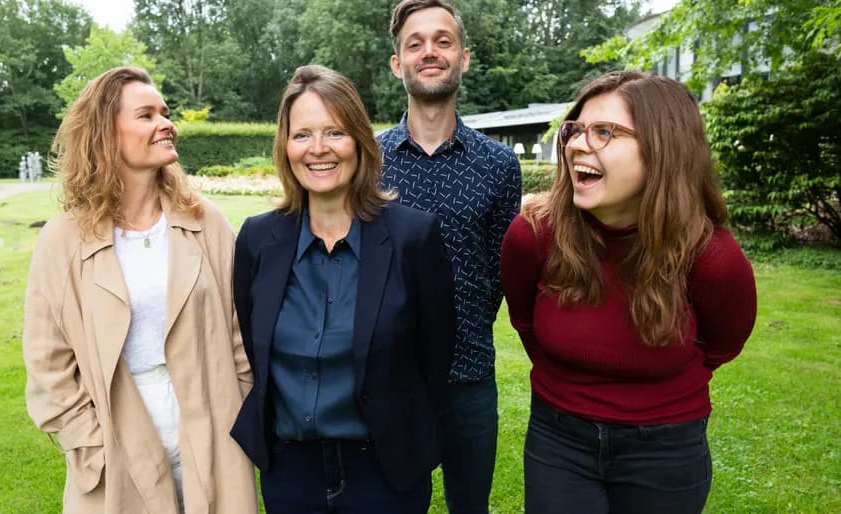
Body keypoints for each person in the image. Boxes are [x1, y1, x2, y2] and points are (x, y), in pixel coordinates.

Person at [500, 70, 758, 514]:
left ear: (663, 149)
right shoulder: (534, 234)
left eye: (604, 132)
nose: (578, 145)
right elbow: (525, 321)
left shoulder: (712, 258)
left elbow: (722, 345)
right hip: (558, 438)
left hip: (666, 448)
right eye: (576, 130)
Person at [22, 66, 257, 513]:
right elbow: (47, 359)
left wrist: (238, 408)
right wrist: (89, 444)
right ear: (105, 135)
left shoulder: (205, 221)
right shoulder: (63, 240)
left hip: (214, 431)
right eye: (146, 115)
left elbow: (241, 329)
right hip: (117, 442)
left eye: (164, 113)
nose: (166, 124)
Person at [229, 64, 457, 514]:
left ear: (359, 140)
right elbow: (256, 350)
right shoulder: (257, 239)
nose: (318, 149)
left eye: (334, 132)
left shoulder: (413, 237)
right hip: (290, 476)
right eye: (302, 135)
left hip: (385, 474)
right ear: (285, 146)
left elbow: (435, 356)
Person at [377, 1, 522, 512]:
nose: (430, 52)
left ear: (464, 57)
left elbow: (500, 271)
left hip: (470, 377)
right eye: (415, 43)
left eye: (443, 41)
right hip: (389, 376)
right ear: (397, 63)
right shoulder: (367, 162)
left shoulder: (499, 165)